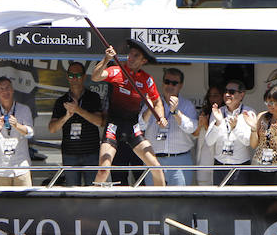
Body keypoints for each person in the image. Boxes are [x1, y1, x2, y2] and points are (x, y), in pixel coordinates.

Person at [91, 41, 166, 186]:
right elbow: (95, 77)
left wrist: (161, 116)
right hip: (113, 126)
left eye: (136, 55)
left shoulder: (147, 80)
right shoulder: (117, 70)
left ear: (143, 61)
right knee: (103, 170)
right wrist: (106, 59)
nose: (130, 57)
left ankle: (161, 204)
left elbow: (157, 102)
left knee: (156, 168)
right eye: (130, 53)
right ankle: (90, 202)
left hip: (133, 128)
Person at [48, 61, 105, 186]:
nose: (74, 79)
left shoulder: (93, 97)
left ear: (84, 77)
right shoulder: (61, 101)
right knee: (72, 192)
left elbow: (100, 122)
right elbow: (52, 129)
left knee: (93, 191)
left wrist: (78, 110)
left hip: (91, 153)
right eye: (71, 75)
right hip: (70, 154)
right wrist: (66, 116)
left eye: (78, 75)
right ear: (67, 77)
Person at [139, 67, 197, 185]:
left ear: (180, 85)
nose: (170, 85)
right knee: (154, 200)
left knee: (179, 201)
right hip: (154, 159)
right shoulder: (153, 102)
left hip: (179, 161)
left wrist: (176, 112)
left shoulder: (187, 105)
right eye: (167, 82)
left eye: (174, 83)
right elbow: (141, 126)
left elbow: (192, 128)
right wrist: (150, 109)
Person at [0, 77, 35, 186]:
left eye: (7, 88)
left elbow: (30, 133)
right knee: (2, 203)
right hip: (1, 167)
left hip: (21, 167)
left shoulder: (24, 109)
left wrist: (17, 125)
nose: (5, 91)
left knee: (25, 202)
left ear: (12, 90)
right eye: (1, 89)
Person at [204, 80, 255, 185]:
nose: (227, 94)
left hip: (240, 168)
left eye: (231, 92)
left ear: (241, 95)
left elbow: (247, 142)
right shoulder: (218, 112)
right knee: (220, 201)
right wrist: (217, 123)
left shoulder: (249, 113)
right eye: (225, 91)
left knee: (240, 201)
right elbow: (209, 141)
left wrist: (235, 128)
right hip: (219, 167)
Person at [194, 85, 224, 186]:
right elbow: (195, 134)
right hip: (204, 156)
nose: (212, 98)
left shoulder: (224, 113)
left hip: (217, 157)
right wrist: (201, 124)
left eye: (216, 95)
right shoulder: (205, 112)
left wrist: (206, 124)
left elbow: (215, 137)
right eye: (210, 96)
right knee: (202, 185)